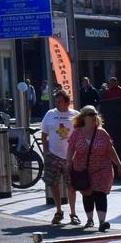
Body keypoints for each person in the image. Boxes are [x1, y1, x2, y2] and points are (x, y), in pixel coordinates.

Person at [66, 105, 121, 231]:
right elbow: (71, 148)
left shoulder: (102, 132)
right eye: (91, 114)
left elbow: (110, 150)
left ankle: (102, 221)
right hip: (83, 169)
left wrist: (119, 165)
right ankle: (89, 219)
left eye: (95, 114)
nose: (94, 117)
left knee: (100, 193)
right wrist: (68, 163)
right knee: (87, 193)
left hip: (102, 168)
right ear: (84, 117)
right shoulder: (76, 133)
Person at [40, 89, 76, 227]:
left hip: (69, 156)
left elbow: (80, 134)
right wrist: (46, 152)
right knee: (53, 183)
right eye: (56, 101)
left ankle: (73, 213)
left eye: (60, 101)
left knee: (71, 185)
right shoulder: (50, 114)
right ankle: (59, 210)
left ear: (67, 102)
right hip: (53, 155)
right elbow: (44, 134)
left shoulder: (74, 115)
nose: (57, 103)